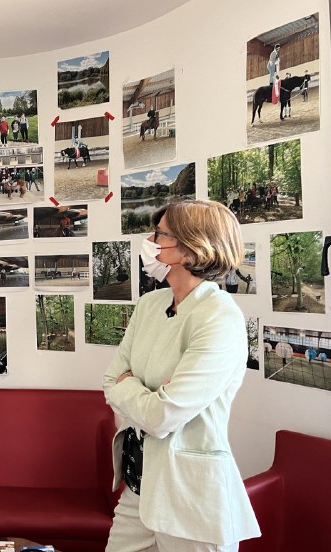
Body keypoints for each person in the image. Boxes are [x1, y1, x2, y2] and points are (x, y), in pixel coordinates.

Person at [102, 200, 260, 551]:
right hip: (137, 487)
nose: (151, 241)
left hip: (191, 499)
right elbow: (111, 381)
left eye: (159, 234)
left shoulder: (219, 317)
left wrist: (133, 388)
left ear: (191, 249)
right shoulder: (149, 305)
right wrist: (140, 392)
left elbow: (163, 416)